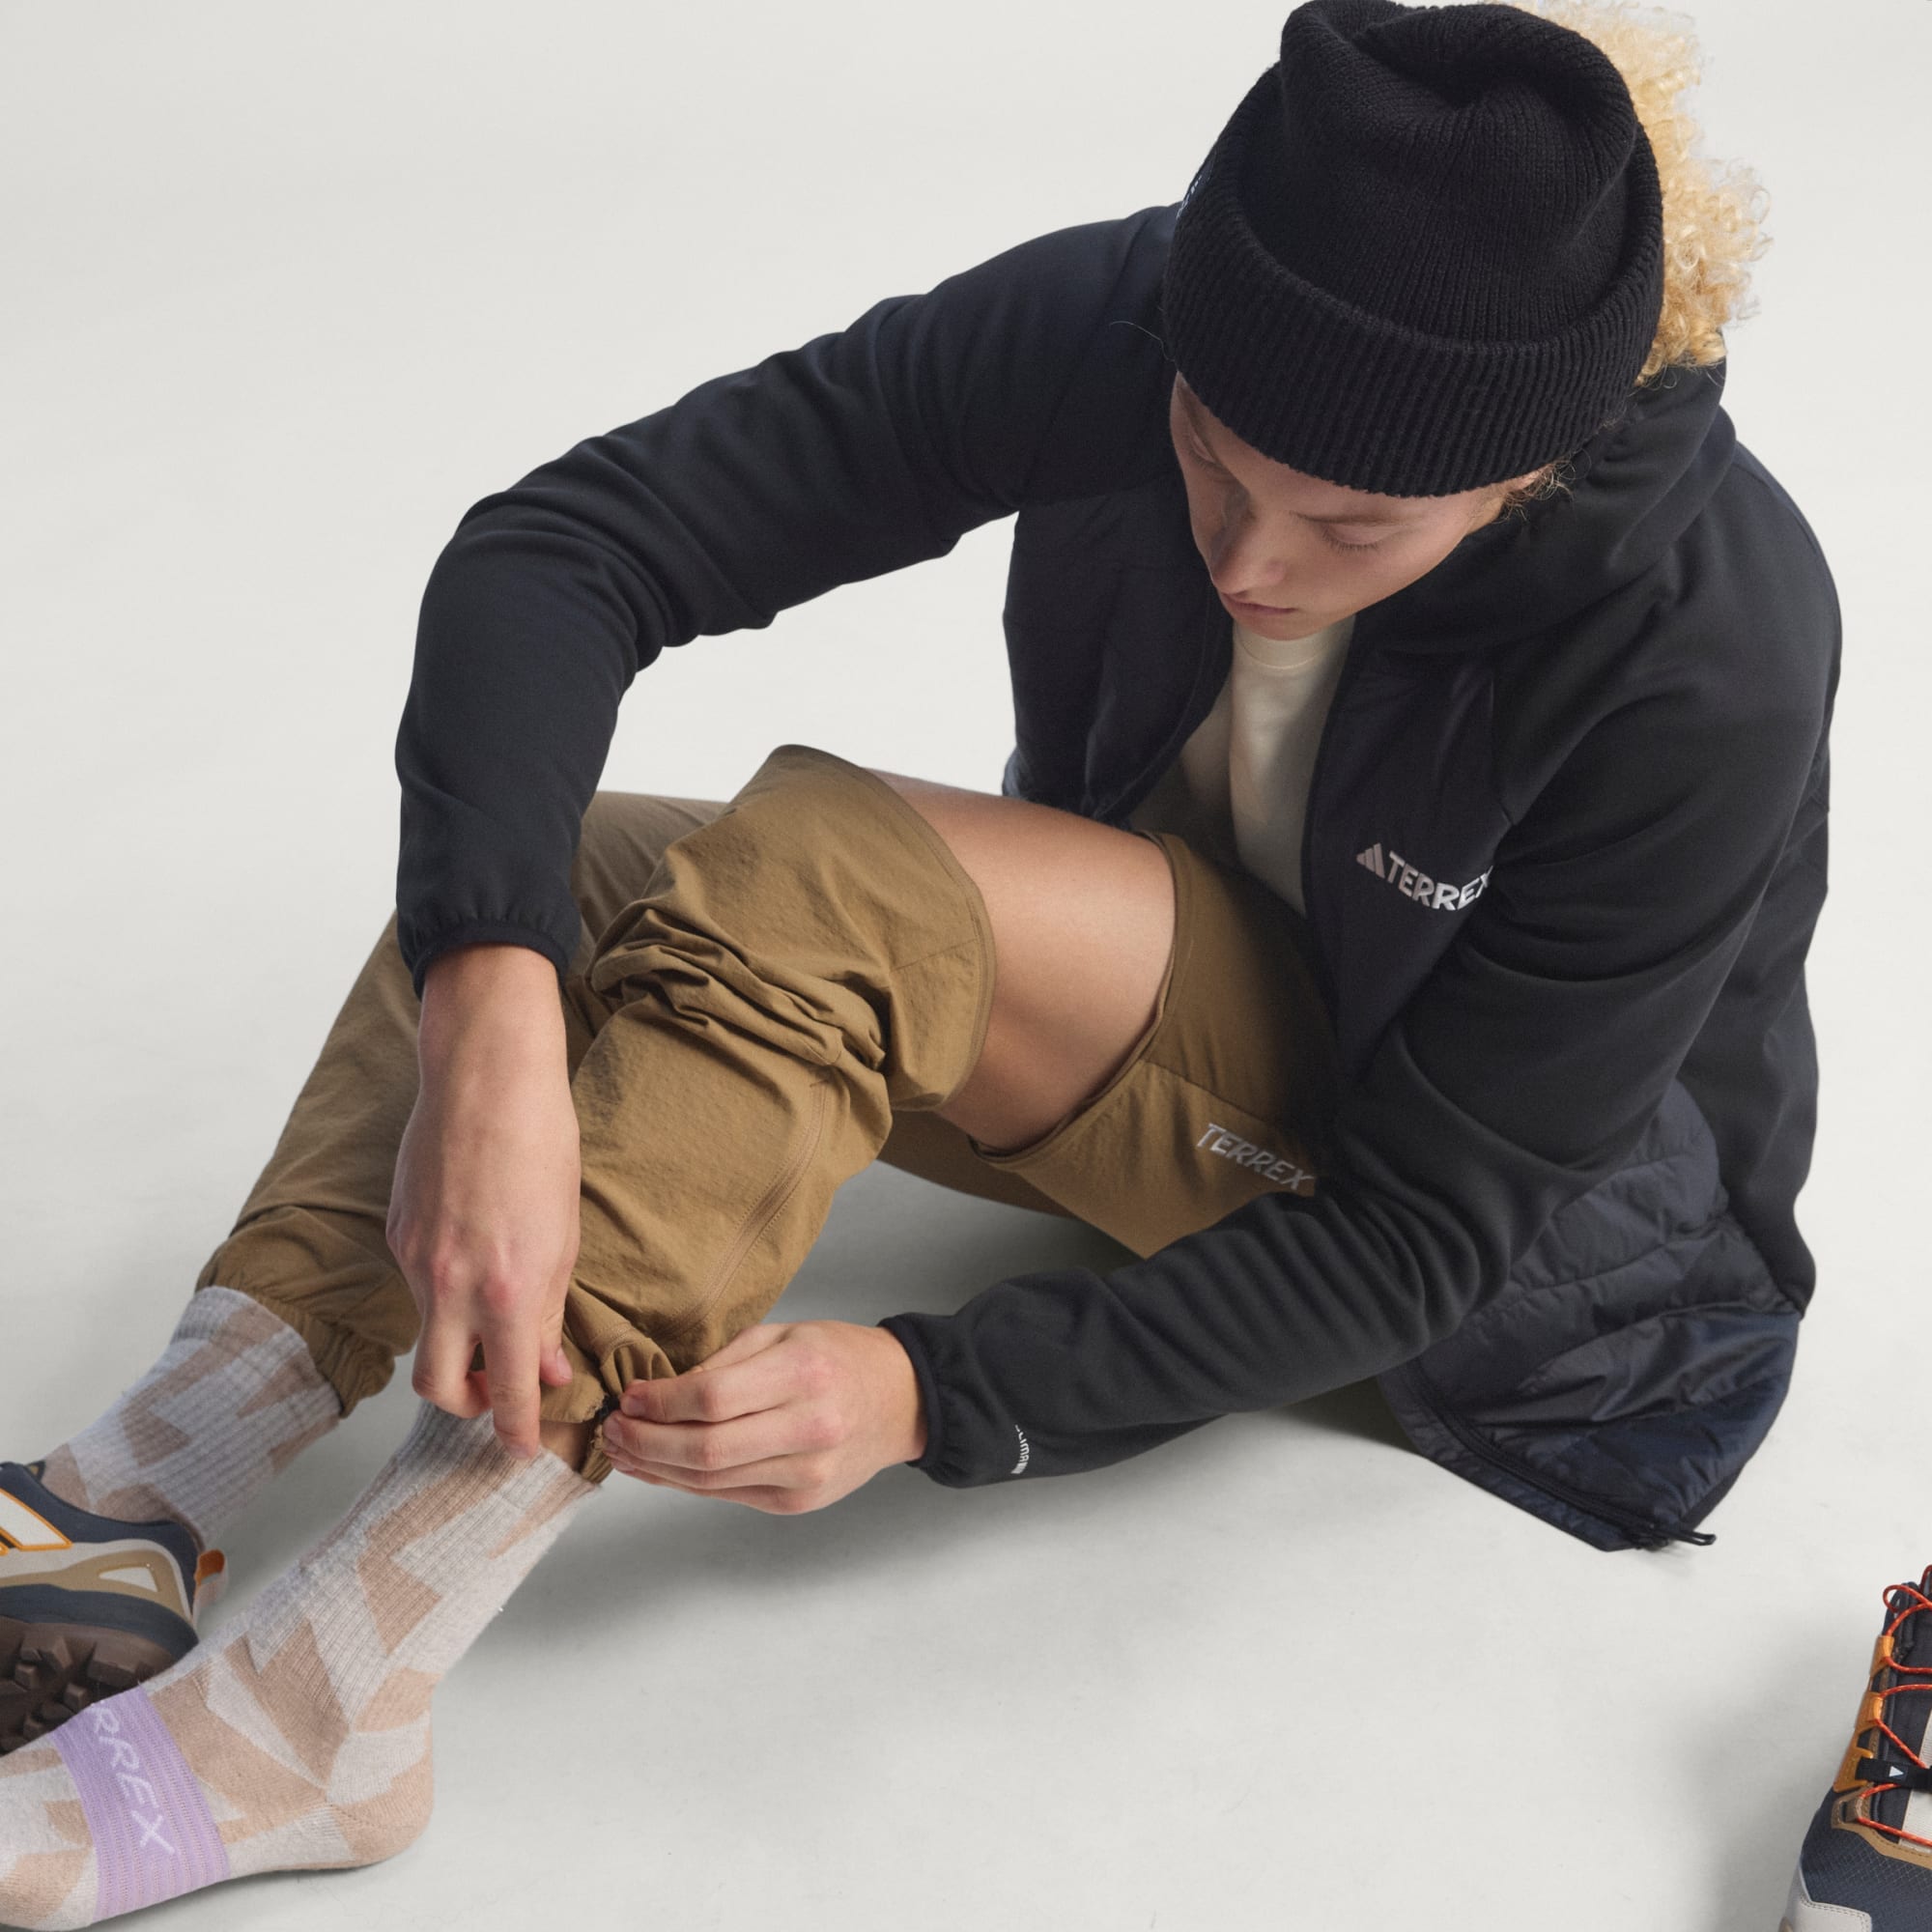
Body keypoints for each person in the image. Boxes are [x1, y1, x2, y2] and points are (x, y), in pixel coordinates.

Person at [0, 0, 1857, 1923]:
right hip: (1164, 1039)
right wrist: (488, 1014)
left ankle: (331, 1695)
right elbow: (569, 547)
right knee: (543, 865)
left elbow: (1424, 1235)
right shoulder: (1139, 320)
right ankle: (156, 1472)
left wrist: (931, 1388)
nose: (1251, 565)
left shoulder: (1707, 650)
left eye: (1353, 527)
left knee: (842, 869)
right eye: (1210, 463)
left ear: (1526, 477)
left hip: (1502, 1264)